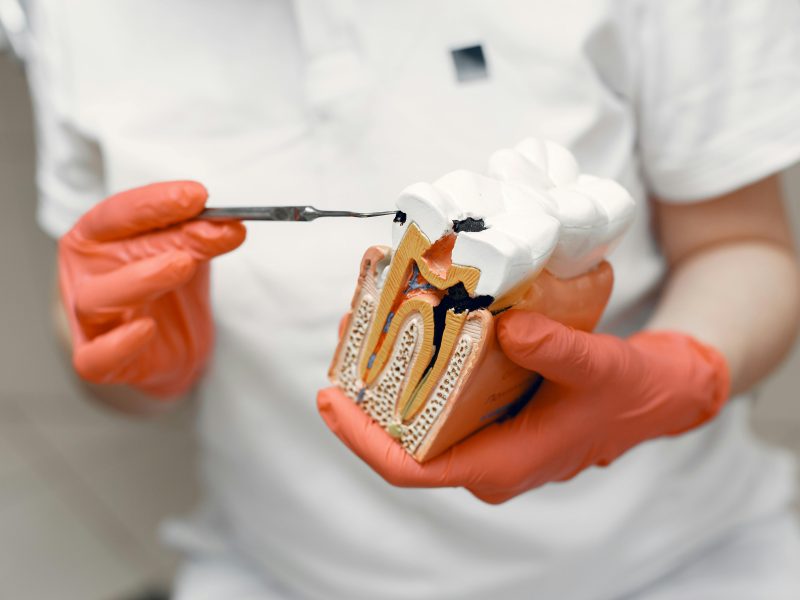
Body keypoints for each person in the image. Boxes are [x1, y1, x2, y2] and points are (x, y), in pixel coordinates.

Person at [26, 0, 800, 598]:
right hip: (285, 572)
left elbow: (741, 244)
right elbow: (103, 328)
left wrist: (680, 375)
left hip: (678, 562)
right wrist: (126, 357)